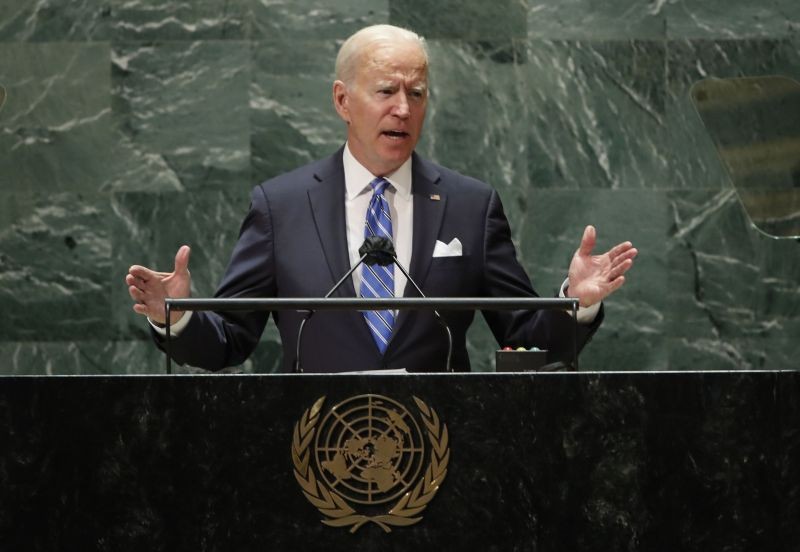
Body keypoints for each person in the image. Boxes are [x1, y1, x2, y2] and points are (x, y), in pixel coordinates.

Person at [125, 25, 637, 373]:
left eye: (417, 94)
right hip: (310, 451)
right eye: (386, 91)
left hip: (439, 454)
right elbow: (231, 338)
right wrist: (178, 315)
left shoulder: (469, 205)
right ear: (343, 100)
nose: (403, 108)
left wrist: (574, 302)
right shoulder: (280, 206)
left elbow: (525, 333)